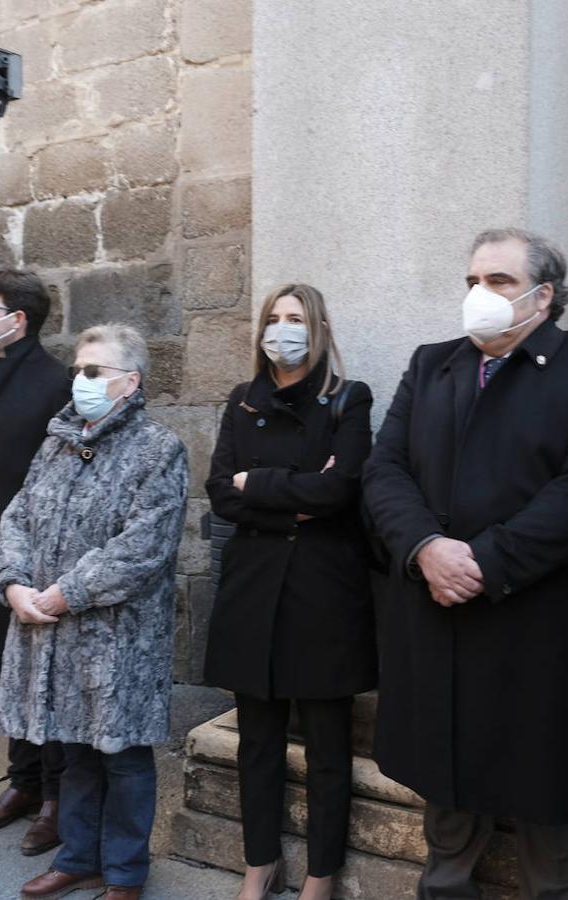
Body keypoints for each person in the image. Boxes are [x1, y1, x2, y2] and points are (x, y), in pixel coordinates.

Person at [363, 228, 568, 900]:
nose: (480, 295)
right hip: (440, 618)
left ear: (542, 297)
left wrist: (482, 564)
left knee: (554, 809)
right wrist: (426, 549)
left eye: (500, 282)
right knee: (448, 799)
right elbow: (385, 470)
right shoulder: (434, 364)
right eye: (473, 281)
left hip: (536, 626)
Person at [0, 323, 188, 900]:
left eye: (94, 371)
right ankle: (79, 856)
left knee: (123, 756)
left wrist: (62, 594)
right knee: (73, 749)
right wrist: (14, 584)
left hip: (117, 636)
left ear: (129, 382)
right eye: (78, 369)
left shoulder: (158, 448)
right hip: (52, 630)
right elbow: (18, 516)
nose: (80, 380)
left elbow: (143, 547)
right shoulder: (56, 441)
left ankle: (126, 873)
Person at [204, 284, 377, 900]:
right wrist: (294, 499)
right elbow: (222, 492)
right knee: (258, 741)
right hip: (253, 588)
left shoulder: (348, 400)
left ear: (319, 327)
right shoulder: (242, 401)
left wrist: (262, 488)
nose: (283, 329)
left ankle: (321, 875)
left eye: (295, 318)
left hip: (322, 593)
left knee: (328, 746)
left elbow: (341, 492)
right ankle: (260, 864)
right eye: (273, 319)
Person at [0, 271, 73, 854]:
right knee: (10, 676)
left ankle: (55, 797)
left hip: (38, 554)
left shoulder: (54, 382)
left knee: (42, 681)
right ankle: (22, 781)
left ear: (18, 319)